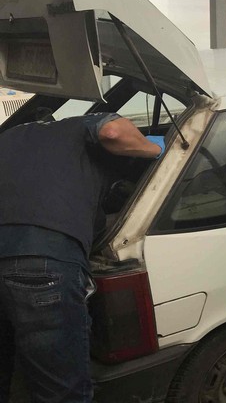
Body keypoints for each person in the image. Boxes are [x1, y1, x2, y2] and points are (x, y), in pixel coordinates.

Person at [0, 113, 164, 403]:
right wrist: (156, 149)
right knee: (62, 393)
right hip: (41, 260)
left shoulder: (9, 136)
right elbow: (113, 132)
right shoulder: (82, 126)